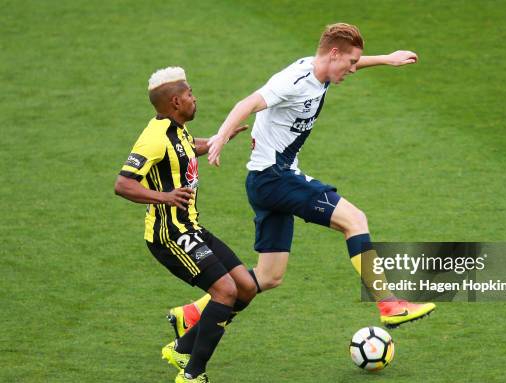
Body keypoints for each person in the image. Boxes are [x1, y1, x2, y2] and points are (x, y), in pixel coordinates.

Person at [168, 23, 435, 338]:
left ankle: (192, 313)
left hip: (263, 183)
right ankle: (389, 304)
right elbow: (247, 104)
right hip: (275, 177)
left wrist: (386, 59)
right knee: (355, 220)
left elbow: (351, 61)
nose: (352, 69)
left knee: (268, 277)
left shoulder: (324, 70)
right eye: (350, 63)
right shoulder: (293, 80)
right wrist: (221, 137)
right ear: (333, 54)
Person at [114, 66, 255, 383]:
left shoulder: (178, 131)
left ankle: (181, 348)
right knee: (224, 291)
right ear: (175, 101)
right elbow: (123, 184)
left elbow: (191, 148)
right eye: (190, 94)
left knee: (246, 287)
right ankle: (193, 374)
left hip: (191, 227)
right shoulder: (154, 137)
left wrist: (222, 138)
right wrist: (164, 196)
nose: (195, 98)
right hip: (169, 235)